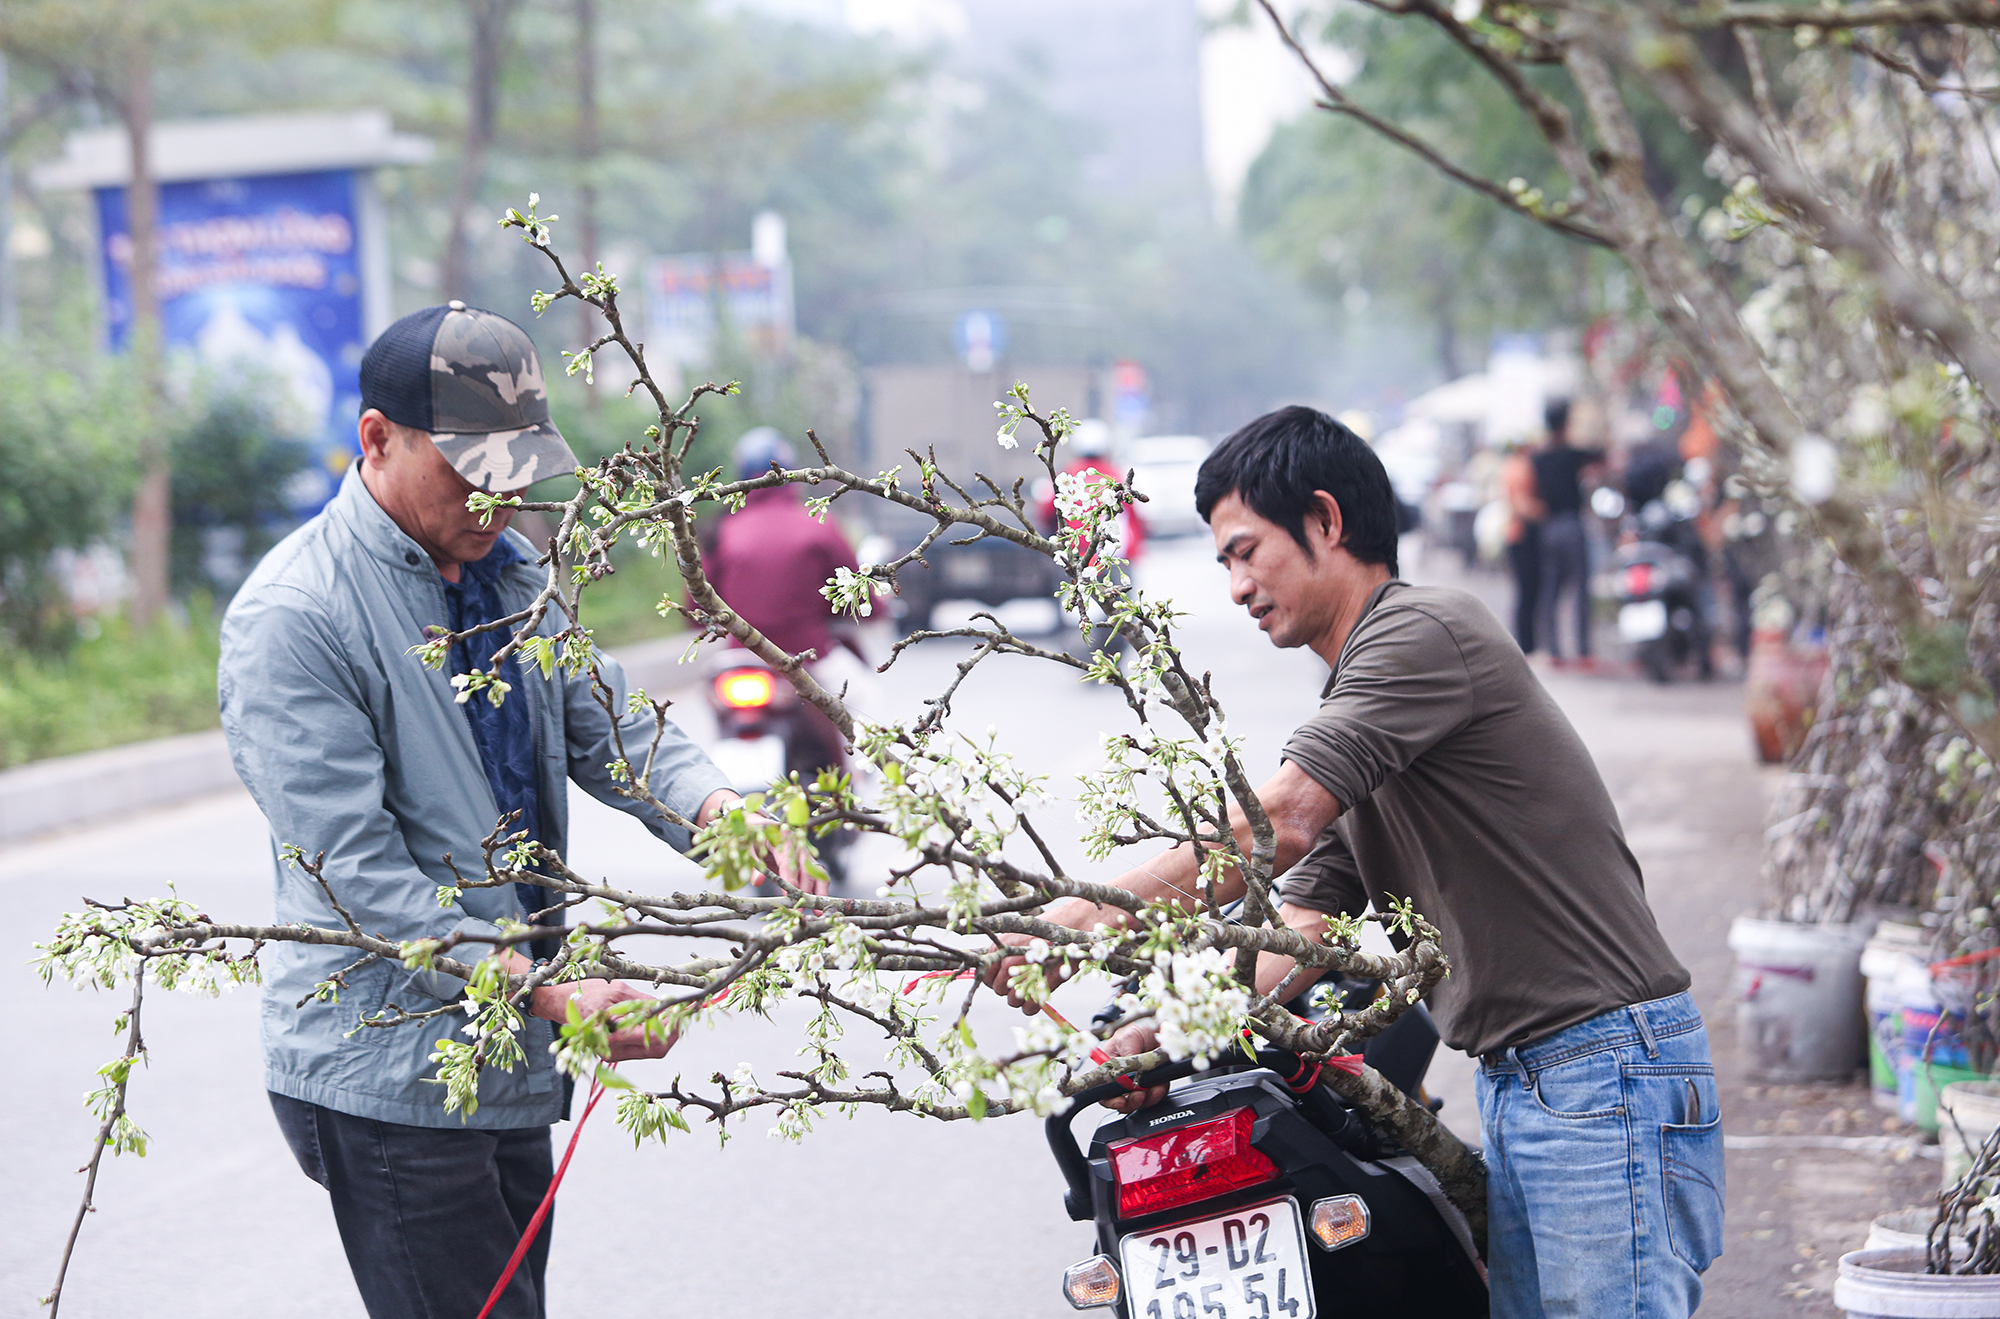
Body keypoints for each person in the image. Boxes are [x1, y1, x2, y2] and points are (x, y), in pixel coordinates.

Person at [998, 405, 1724, 1318]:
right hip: (1529, 1079)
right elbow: (1303, 923)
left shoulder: (1424, 633)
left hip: (1601, 1068)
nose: (1234, 584)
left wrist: (1078, 918)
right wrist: (1166, 1030)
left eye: (1244, 549)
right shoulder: (1365, 703)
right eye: (1224, 560)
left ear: (1326, 522)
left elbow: (1285, 819)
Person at [219, 302, 809, 1319]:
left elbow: (606, 723)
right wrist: (542, 991)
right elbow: (353, 870)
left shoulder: (512, 569)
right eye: (470, 467)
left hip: (503, 1036)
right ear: (377, 437)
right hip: (394, 1058)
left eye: (516, 465)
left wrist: (722, 807)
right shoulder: (295, 620)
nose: (500, 495)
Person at [702, 425, 870, 771]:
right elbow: (859, 596)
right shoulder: (817, 523)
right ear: (790, 474)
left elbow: (694, 605)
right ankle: (864, 796)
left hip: (740, 664)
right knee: (866, 706)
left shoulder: (723, 529)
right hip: (810, 659)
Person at [1530, 399, 1605, 668]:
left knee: (1551, 590)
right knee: (1581, 589)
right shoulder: (1572, 454)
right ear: (1565, 423)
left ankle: (1554, 651)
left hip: (1549, 527)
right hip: (1573, 524)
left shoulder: (1538, 457)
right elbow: (1600, 453)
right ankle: (1583, 651)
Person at [1498, 438, 1545, 653]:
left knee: (1527, 592)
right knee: (1528, 592)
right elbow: (1521, 504)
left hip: (1517, 534)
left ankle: (1528, 642)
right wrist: (1545, 512)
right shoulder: (1520, 467)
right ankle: (1527, 644)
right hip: (1522, 535)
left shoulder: (1512, 466)